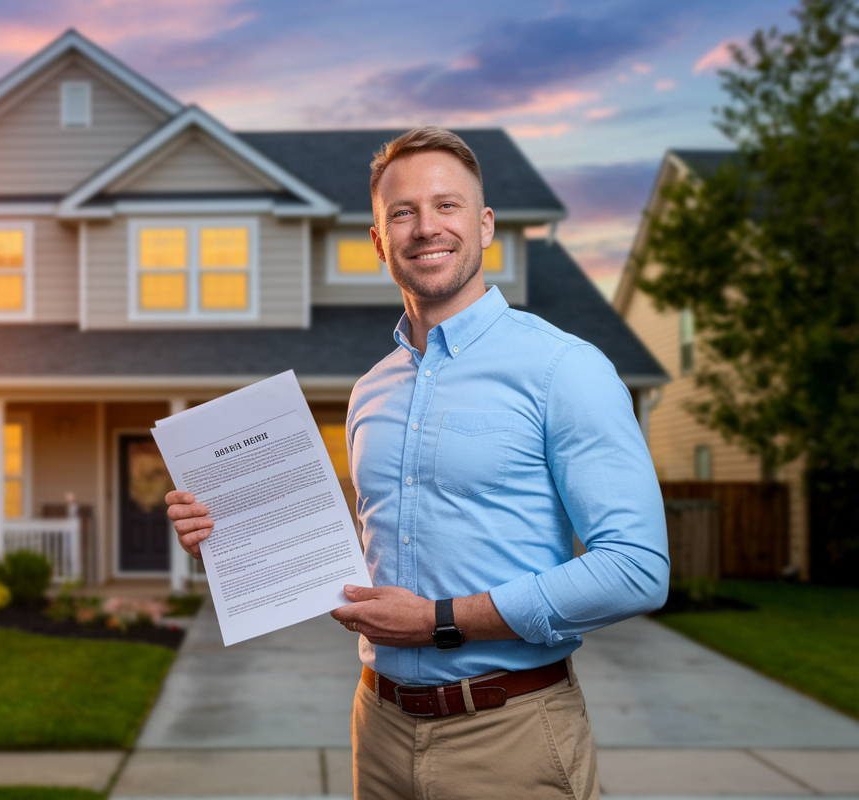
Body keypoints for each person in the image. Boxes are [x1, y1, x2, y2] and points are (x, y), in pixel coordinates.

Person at [165, 126, 670, 800]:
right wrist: (232, 541)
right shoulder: (370, 390)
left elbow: (636, 570)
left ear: (485, 224)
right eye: (402, 212)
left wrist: (441, 620)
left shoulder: (564, 368)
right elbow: (355, 559)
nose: (425, 228)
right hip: (377, 729)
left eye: (447, 206)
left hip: (510, 736)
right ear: (379, 241)